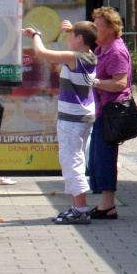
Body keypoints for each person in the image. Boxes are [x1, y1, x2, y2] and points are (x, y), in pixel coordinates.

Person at [23, 20, 99, 225]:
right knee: (74, 159)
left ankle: (81, 209)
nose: (68, 39)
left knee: (71, 162)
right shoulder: (90, 56)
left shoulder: (74, 58)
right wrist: (75, 29)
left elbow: (43, 53)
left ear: (80, 39)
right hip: (82, 117)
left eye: (71, 36)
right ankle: (76, 207)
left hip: (72, 119)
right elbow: (87, 36)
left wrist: (36, 34)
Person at [87, 6, 132, 219]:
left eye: (98, 26)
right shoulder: (100, 50)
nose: (95, 30)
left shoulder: (116, 51)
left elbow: (120, 83)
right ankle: (105, 203)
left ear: (112, 28)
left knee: (104, 156)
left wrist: (95, 82)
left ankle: (108, 205)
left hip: (112, 112)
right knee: (96, 158)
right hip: (101, 111)